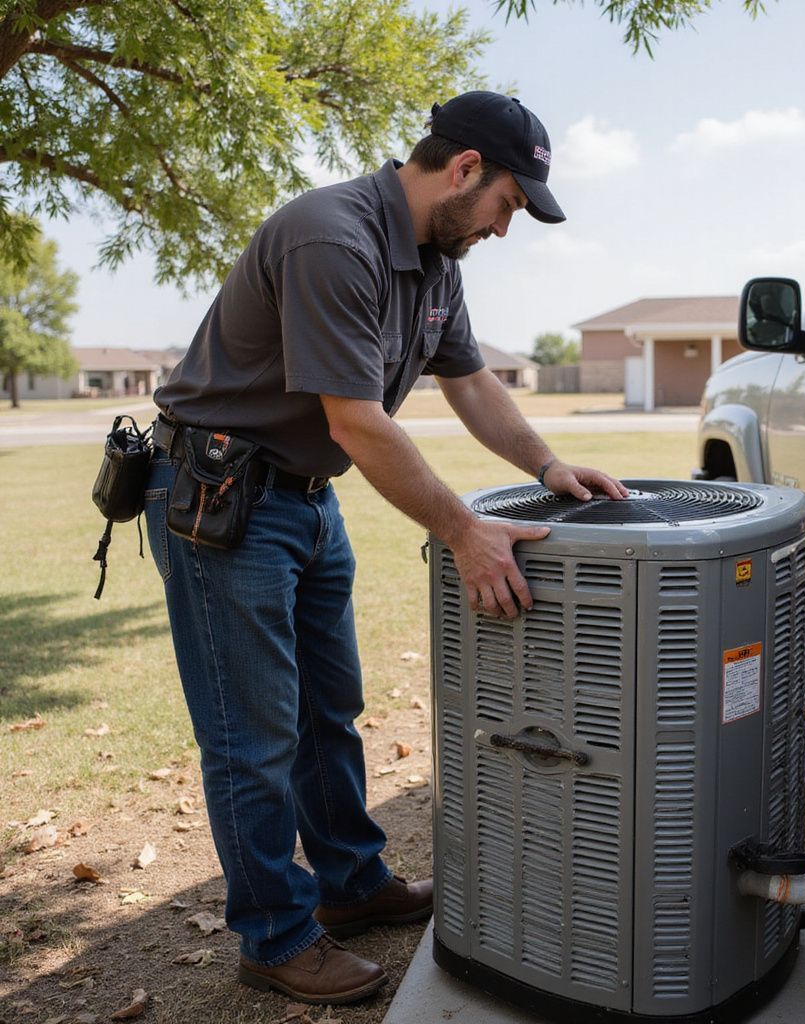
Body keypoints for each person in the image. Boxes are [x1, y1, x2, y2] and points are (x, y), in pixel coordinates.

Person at [145, 90, 627, 1007]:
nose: (505, 227)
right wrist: (465, 533)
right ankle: (275, 937)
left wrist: (549, 462)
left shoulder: (435, 258)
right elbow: (358, 423)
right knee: (252, 736)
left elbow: (471, 383)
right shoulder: (333, 237)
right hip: (221, 497)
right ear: (464, 170)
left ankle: (353, 888)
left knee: (332, 707)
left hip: (305, 498)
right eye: (508, 205)